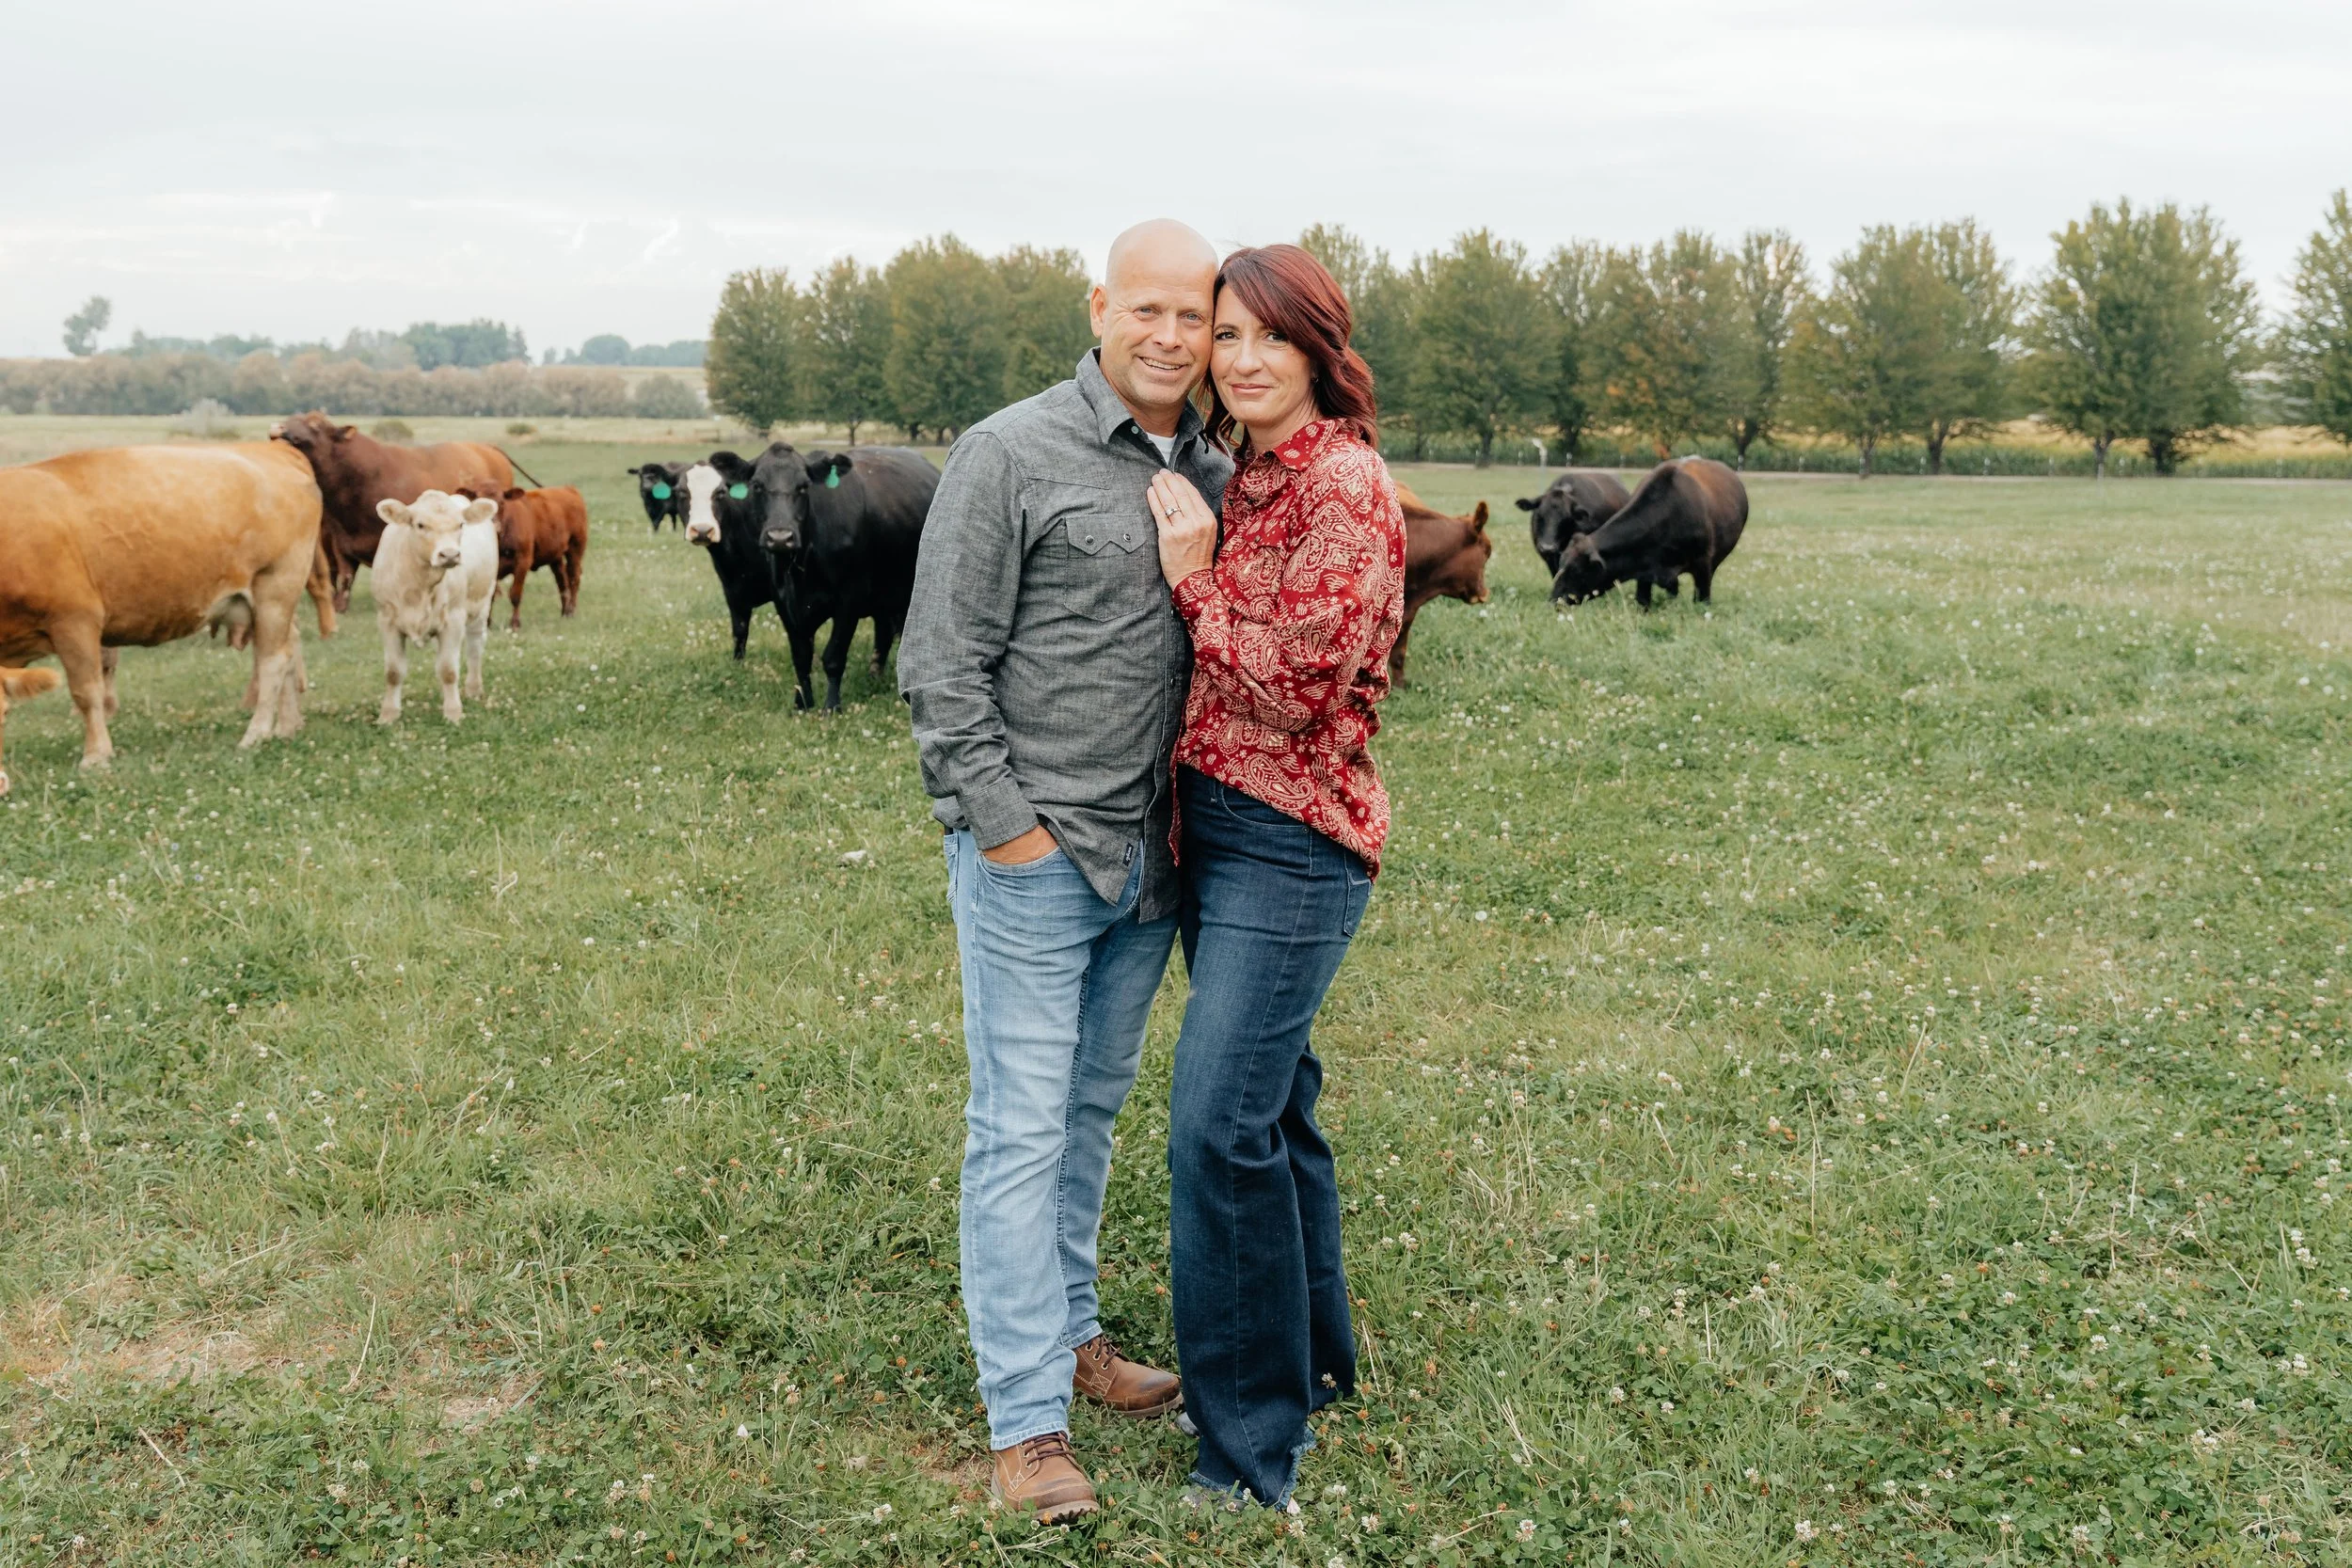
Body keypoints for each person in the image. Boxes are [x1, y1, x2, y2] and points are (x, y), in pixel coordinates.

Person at [899, 219, 1235, 1524]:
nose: (1167, 337)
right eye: (1144, 309)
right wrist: (1009, 831)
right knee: (1020, 1126)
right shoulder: (1009, 450)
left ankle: (1076, 1332)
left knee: (1089, 1115)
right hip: (1038, 857)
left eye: (1192, 317)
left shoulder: (1213, 464)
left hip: (1153, 865)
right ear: (1099, 307)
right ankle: (1026, 1422)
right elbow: (940, 661)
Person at [1145, 244, 1406, 1508]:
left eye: (1270, 339)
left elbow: (1299, 684)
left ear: (1318, 350)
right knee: (1277, 1108)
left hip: (1294, 841)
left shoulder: (1343, 483)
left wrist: (1193, 586)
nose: (1242, 360)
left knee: (1217, 1124)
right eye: (1227, 335)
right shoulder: (1242, 473)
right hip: (1218, 824)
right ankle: (1314, 1359)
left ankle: (1249, 1452)